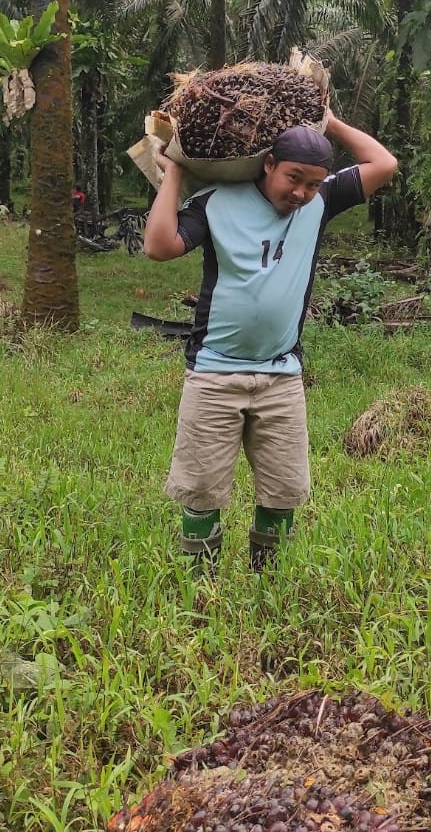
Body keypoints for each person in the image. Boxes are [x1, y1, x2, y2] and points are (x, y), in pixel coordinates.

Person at [144, 114, 397, 573]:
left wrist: (331, 123)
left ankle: (268, 579)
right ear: (269, 164)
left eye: (313, 183)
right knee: (201, 490)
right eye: (293, 178)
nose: (301, 192)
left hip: (281, 376)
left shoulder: (321, 203)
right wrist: (175, 172)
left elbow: (384, 163)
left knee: (283, 490)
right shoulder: (217, 201)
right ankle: (200, 584)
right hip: (214, 373)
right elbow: (159, 247)